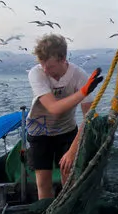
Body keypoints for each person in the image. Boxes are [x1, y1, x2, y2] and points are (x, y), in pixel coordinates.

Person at [26, 33, 103, 199]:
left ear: (63, 59)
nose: (46, 70)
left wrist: (72, 151)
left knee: (68, 177)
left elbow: (89, 118)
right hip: (39, 131)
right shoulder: (36, 73)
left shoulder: (79, 76)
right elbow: (53, 108)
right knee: (43, 182)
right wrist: (83, 92)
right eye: (42, 65)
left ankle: (67, 210)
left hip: (66, 130)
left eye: (51, 66)